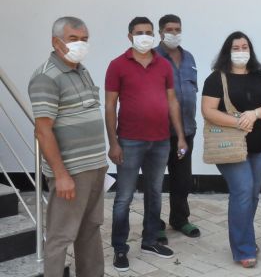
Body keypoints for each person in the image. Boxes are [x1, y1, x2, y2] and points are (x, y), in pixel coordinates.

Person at [106, 16, 188, 272]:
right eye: (140, 32)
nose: (145, 36)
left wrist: (180, 136)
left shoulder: (163, 65)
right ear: (130, 36)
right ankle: (120, 247)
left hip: (160, 141)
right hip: (129, 141)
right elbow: (110, 105)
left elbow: (172, 101)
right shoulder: (117, 65)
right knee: (124, 197)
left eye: (149, 32)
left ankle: (150, 240)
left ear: (154, 35)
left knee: (154, 193)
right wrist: (113, 142)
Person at [28, 17, 108, 277]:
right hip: (71, 172)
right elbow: (43, 130)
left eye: (84, 39)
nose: (80, 44)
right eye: (73, 39)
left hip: (94, 167)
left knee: (90, 228)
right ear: (56, 42)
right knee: (61, 235)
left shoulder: (81, 70)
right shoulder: (46, 77)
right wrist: (61, 175)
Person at [201, 31, 261, 268]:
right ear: (228, 51)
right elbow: (208, 111)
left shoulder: (260, 76)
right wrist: (238, 122)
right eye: (236, 48)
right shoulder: (216, 78)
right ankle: (244, 249)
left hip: (258, 146)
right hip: (231, 147)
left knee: (252, 194)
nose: (241, 51)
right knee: (243, 191)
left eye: (245, 47)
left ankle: (245, 237)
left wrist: (254, 114)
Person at [155, 14, 201, 242]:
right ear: (160, 32)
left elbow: (192, 90)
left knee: (182, 181)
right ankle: (154, 224)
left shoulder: (189, 57)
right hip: (159, 133)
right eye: (169, 29)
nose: (174, 33)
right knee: (155, 182)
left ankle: (180, 219)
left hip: (186, 131)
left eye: (177, 29)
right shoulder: (152, 58)